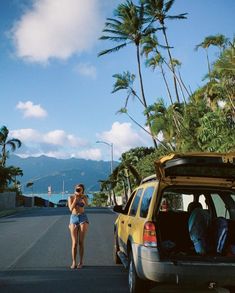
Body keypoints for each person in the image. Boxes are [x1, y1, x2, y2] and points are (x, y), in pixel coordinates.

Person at [68, 183, 89, 269]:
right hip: (73, 218)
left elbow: (86, 205)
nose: (78, 191)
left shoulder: (84, 197)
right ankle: (74, 262)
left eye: (80, 189)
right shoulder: (71, 197)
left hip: (83, 217)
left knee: (81, 242)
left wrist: (82, 198)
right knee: (74, 243)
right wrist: (75, 199)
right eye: (77, 189)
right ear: (75, 189)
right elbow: (70, 208)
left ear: (83, 190)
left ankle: (81, 262)